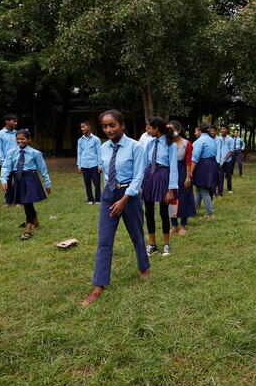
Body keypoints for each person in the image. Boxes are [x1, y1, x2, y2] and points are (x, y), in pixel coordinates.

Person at [82, 110, 149, 305]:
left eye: (112, 125)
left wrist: (125, 199)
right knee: (104, 241)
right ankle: (99, 285)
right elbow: (105, 172)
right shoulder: (103, 148)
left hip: (130, 195)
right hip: (109, 196)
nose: (109, 129)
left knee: (137, 235)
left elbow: (139, 175)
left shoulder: (136, 147)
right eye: (104, 126)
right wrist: (110, 195)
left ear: (122, 125)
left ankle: (143, 266)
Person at [0, 129, 51, 240]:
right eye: (17, 139)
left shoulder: (35, 153)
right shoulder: (11, 152)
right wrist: (3, 179)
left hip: (31, 179)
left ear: (29, 139)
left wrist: (47, 183)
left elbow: (43, 169)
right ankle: (35, 220)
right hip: (19, 179)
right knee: (26, 201)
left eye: (22, 139)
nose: (19, 141)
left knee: (27, 202)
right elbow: (6, 167)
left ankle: (28, 230)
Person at [140, 116, 178, 257]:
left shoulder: (170, 144)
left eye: (148, 127)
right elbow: (144, 165)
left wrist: (171, 189)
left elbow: (173, 168)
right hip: (150, 176)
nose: (146, 129)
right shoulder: (149, 144)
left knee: (163, 212)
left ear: (156, 129)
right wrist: (141, 184)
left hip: (163, 176)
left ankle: (166, 244)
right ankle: (152, 244)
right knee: (148, 212)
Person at [167, 120, 195, 235]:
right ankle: (173, 224)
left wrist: (188, 177)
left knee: (184, 198)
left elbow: (188, 161)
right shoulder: (167, 143)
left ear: (178, 130)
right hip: (170, 171)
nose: (170, 132)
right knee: (171, 198)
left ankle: (183, 225)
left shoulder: (186, 144)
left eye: (172, 130)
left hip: (182, 170)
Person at [190, 122, 218, 218]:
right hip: (212, 164)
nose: (195, 133)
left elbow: (195, 157)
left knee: (203, 190)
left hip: (203, 165)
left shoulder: (199, 141)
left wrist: (190, 171)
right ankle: (192, 210)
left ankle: (210, 213)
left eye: (196, 131)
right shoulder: (212, 140)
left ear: (200, 130)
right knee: (199, 188)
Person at [0, 114, 19, 207]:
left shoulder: (18, 134)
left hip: (17, 162)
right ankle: (8, 202)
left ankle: (17, 201)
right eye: (14, 121)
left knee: (18, 181)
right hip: (5, 163)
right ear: (7, 121)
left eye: (16, 121)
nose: (16, 123)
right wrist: (3, 162)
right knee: (7, 182)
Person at [76, 121, 103, 204]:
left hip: (94, 165)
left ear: (89, 127)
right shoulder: (80, 140)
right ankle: (90, 199)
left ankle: (98, 199)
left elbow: (99, 153)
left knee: (97, 183)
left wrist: (100, 165)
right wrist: (79, 166)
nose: (82, 129)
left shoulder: (96, 139)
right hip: (84, 165)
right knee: (87, 184)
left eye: (84, 127)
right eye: (81, 127)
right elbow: (79, 153)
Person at [216, 124, 234, 197]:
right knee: (220, 176)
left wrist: (225, 160)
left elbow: (231, 150)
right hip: (220, 161)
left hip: (228, 160)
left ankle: (229, 189)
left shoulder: (230, 139)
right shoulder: (219, 139)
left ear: (227, 130)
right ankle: (220, 192)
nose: (222, 130)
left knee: (228, 175)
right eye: (221, 129)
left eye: (224, 129)